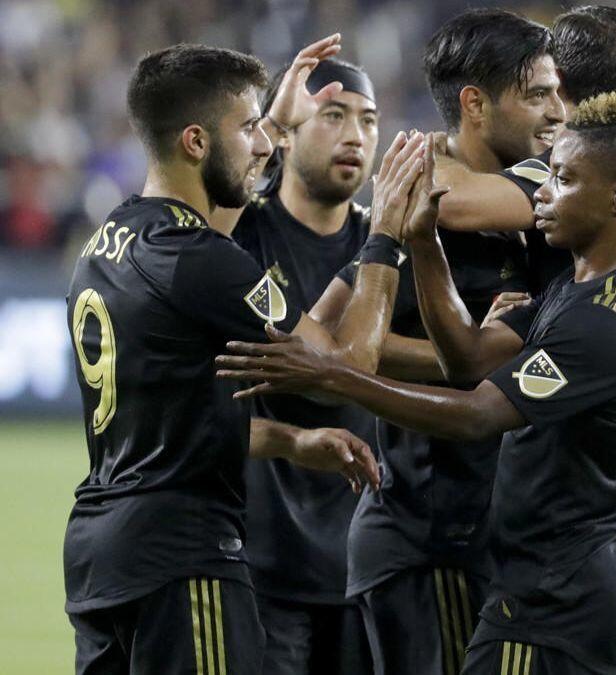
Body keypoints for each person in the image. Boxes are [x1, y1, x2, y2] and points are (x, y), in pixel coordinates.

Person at [217, 90, 616, 675]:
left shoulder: (604, 323)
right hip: (597, 593)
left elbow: (477, 413)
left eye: (562, 179)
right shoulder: (592, 288)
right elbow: (469, 357)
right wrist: (424, 240)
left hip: (559, 609)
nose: (541, 191)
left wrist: (335, 374)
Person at [63, 35, 429, 674]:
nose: (264, 144)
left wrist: (290, 441)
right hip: (183, 557)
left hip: (102, 551)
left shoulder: (110, 241)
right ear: (197, 143)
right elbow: (345, 363)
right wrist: (385, 238)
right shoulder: (204, 264)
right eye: (249, 129)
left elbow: (187, 408)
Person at [432, 8, 616, 671]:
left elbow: (452, 198)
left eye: (546, 88)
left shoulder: (579, 172)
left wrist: (429, 148)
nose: (544, 108)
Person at [307, 10, 565, 674]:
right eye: (537, 94)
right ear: (476, 104)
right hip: (432, 534)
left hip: (483, 534)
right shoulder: (410, 214)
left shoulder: (521, 208)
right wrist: (476, 363)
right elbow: (328, 337)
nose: (557, 111)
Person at [221, 57, 385, 674]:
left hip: (368, 569)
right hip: (261, 569)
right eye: (334, 115)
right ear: (286, 133)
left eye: (369, 121)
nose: (355, 136)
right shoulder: (239, 237)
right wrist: (264, 124)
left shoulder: (386, 249)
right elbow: (184, 216)